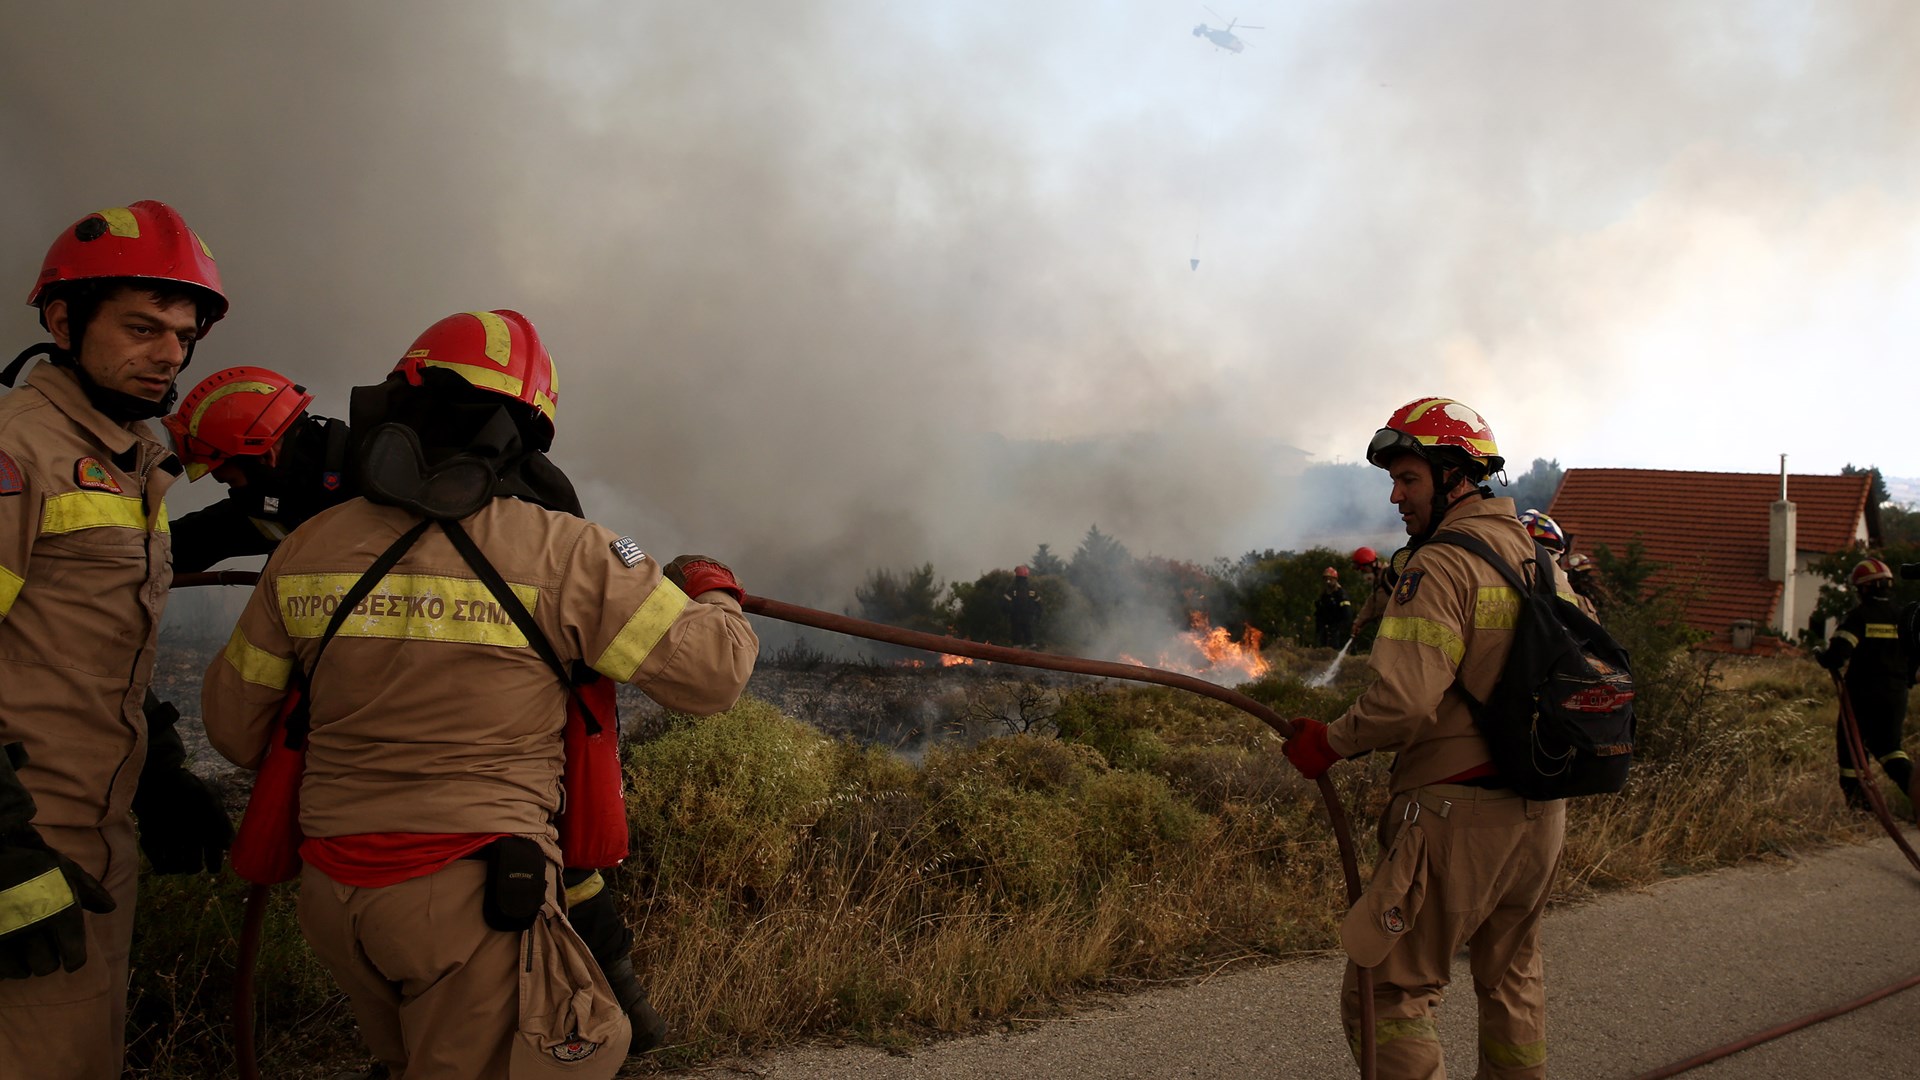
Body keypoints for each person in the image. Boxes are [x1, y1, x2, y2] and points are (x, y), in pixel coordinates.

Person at [201, 310, 760, 1078]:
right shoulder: (568, 553)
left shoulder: (306, 549)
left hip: (337, 900)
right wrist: (712, 587)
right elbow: (714, 674)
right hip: (476, 902)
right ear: (523, 433)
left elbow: (234, 730)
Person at [0, 201, 232, 1079]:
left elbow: (89, 639)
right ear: (63, 323)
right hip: (26, 839)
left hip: (92, 845)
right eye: (142, 328)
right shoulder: (20, 452)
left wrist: (158, 770)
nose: (169, 354)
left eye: (183, 336)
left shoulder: (128, 462)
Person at [1284, 396, 1567, 1079]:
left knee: (1387, 995)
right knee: (1512, 979)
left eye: (1408, 479)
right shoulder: (1536, 557)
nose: (1395, 496)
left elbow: (1403, 703)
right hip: (1540, 814)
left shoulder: (1440, 564)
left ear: (1455, 477)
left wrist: (1332, 741)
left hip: (1456, 816)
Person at [1817, 558, 1917, 814]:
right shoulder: (1904, 617)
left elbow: (1838, 656)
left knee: (1851, 749)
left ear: (1863, 589)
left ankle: (1861, 809)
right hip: (1896, 695)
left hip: (1863, 696)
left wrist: (1822, 656)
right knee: (1891, 749)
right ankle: (1917, 794)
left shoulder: (1859, 617)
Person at [1314, 566, 1353, 647]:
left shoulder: (1341, 595)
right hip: (1326, 629)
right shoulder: (1324, 596)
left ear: (1335, 579)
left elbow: (1347, 613)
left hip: (1338, 629)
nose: (1328, 582)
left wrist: (1341, 628)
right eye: (1326, 579)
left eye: (1330, 579)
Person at [1004, 564, 1042, 647]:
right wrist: (1037, 617)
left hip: (1016, 618)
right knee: (1030, 639)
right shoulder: (1031, 588)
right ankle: (1032, 650)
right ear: (1026, 575)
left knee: (1017, 639)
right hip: (1029, 618)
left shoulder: (1012, 588)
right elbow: (1039, 605)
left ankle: (1017, 652)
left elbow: (1005, 604)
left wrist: (1010, 613)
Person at [1563, 552, 1603, 621]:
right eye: (1581, 573)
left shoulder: (1589, 589)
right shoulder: (1564, 584)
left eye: (1585, 572)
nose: (1584, 576)